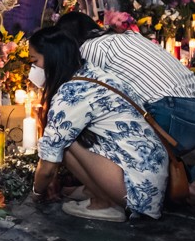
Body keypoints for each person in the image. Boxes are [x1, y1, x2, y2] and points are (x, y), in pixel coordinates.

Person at [55, 11, 195, 211]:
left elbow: (84, 102)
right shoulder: (127, 36)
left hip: (175, 112)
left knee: (131, 169)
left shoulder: (88, 50)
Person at [29, 26, 169, 222]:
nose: (33, 70)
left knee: (64, 143)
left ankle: (103, 202)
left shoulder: (72, 94)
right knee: (70, 135)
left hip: (138, 193)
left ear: (52, 58)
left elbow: (49, 163)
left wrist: (36, 194)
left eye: (34, 62)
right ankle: (95, 190)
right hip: (150, 179)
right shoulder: (93, 73)